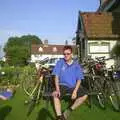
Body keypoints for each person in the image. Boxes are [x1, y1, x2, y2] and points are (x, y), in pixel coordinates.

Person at [52, 45, 88, 120]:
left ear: (71, 54)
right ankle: (59, 117)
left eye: (68, 54)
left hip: (73, 86)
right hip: (62, 85)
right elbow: (56, 77)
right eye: (64, 54)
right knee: (55, 95)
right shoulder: (60, 62)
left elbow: (79, 79)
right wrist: (57, 89)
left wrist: (75, 91)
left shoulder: (76, 65)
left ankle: (68, 111)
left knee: (85, 95)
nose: (66, 55)